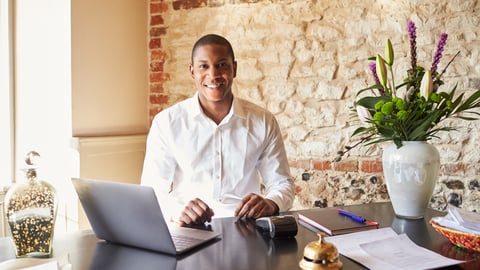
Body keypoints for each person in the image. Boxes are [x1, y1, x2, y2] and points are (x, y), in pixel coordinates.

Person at [141, 34, 295, 226]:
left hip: (245, 229)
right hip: (185, 229)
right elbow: (151, 191)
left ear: (234, 68)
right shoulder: (166, 122)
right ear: (192, 72)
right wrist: (177, 211)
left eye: (222, 65)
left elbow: (282, 183)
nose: (213, 75)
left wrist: (271, 203)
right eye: (203, 66)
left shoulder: (263, 121)